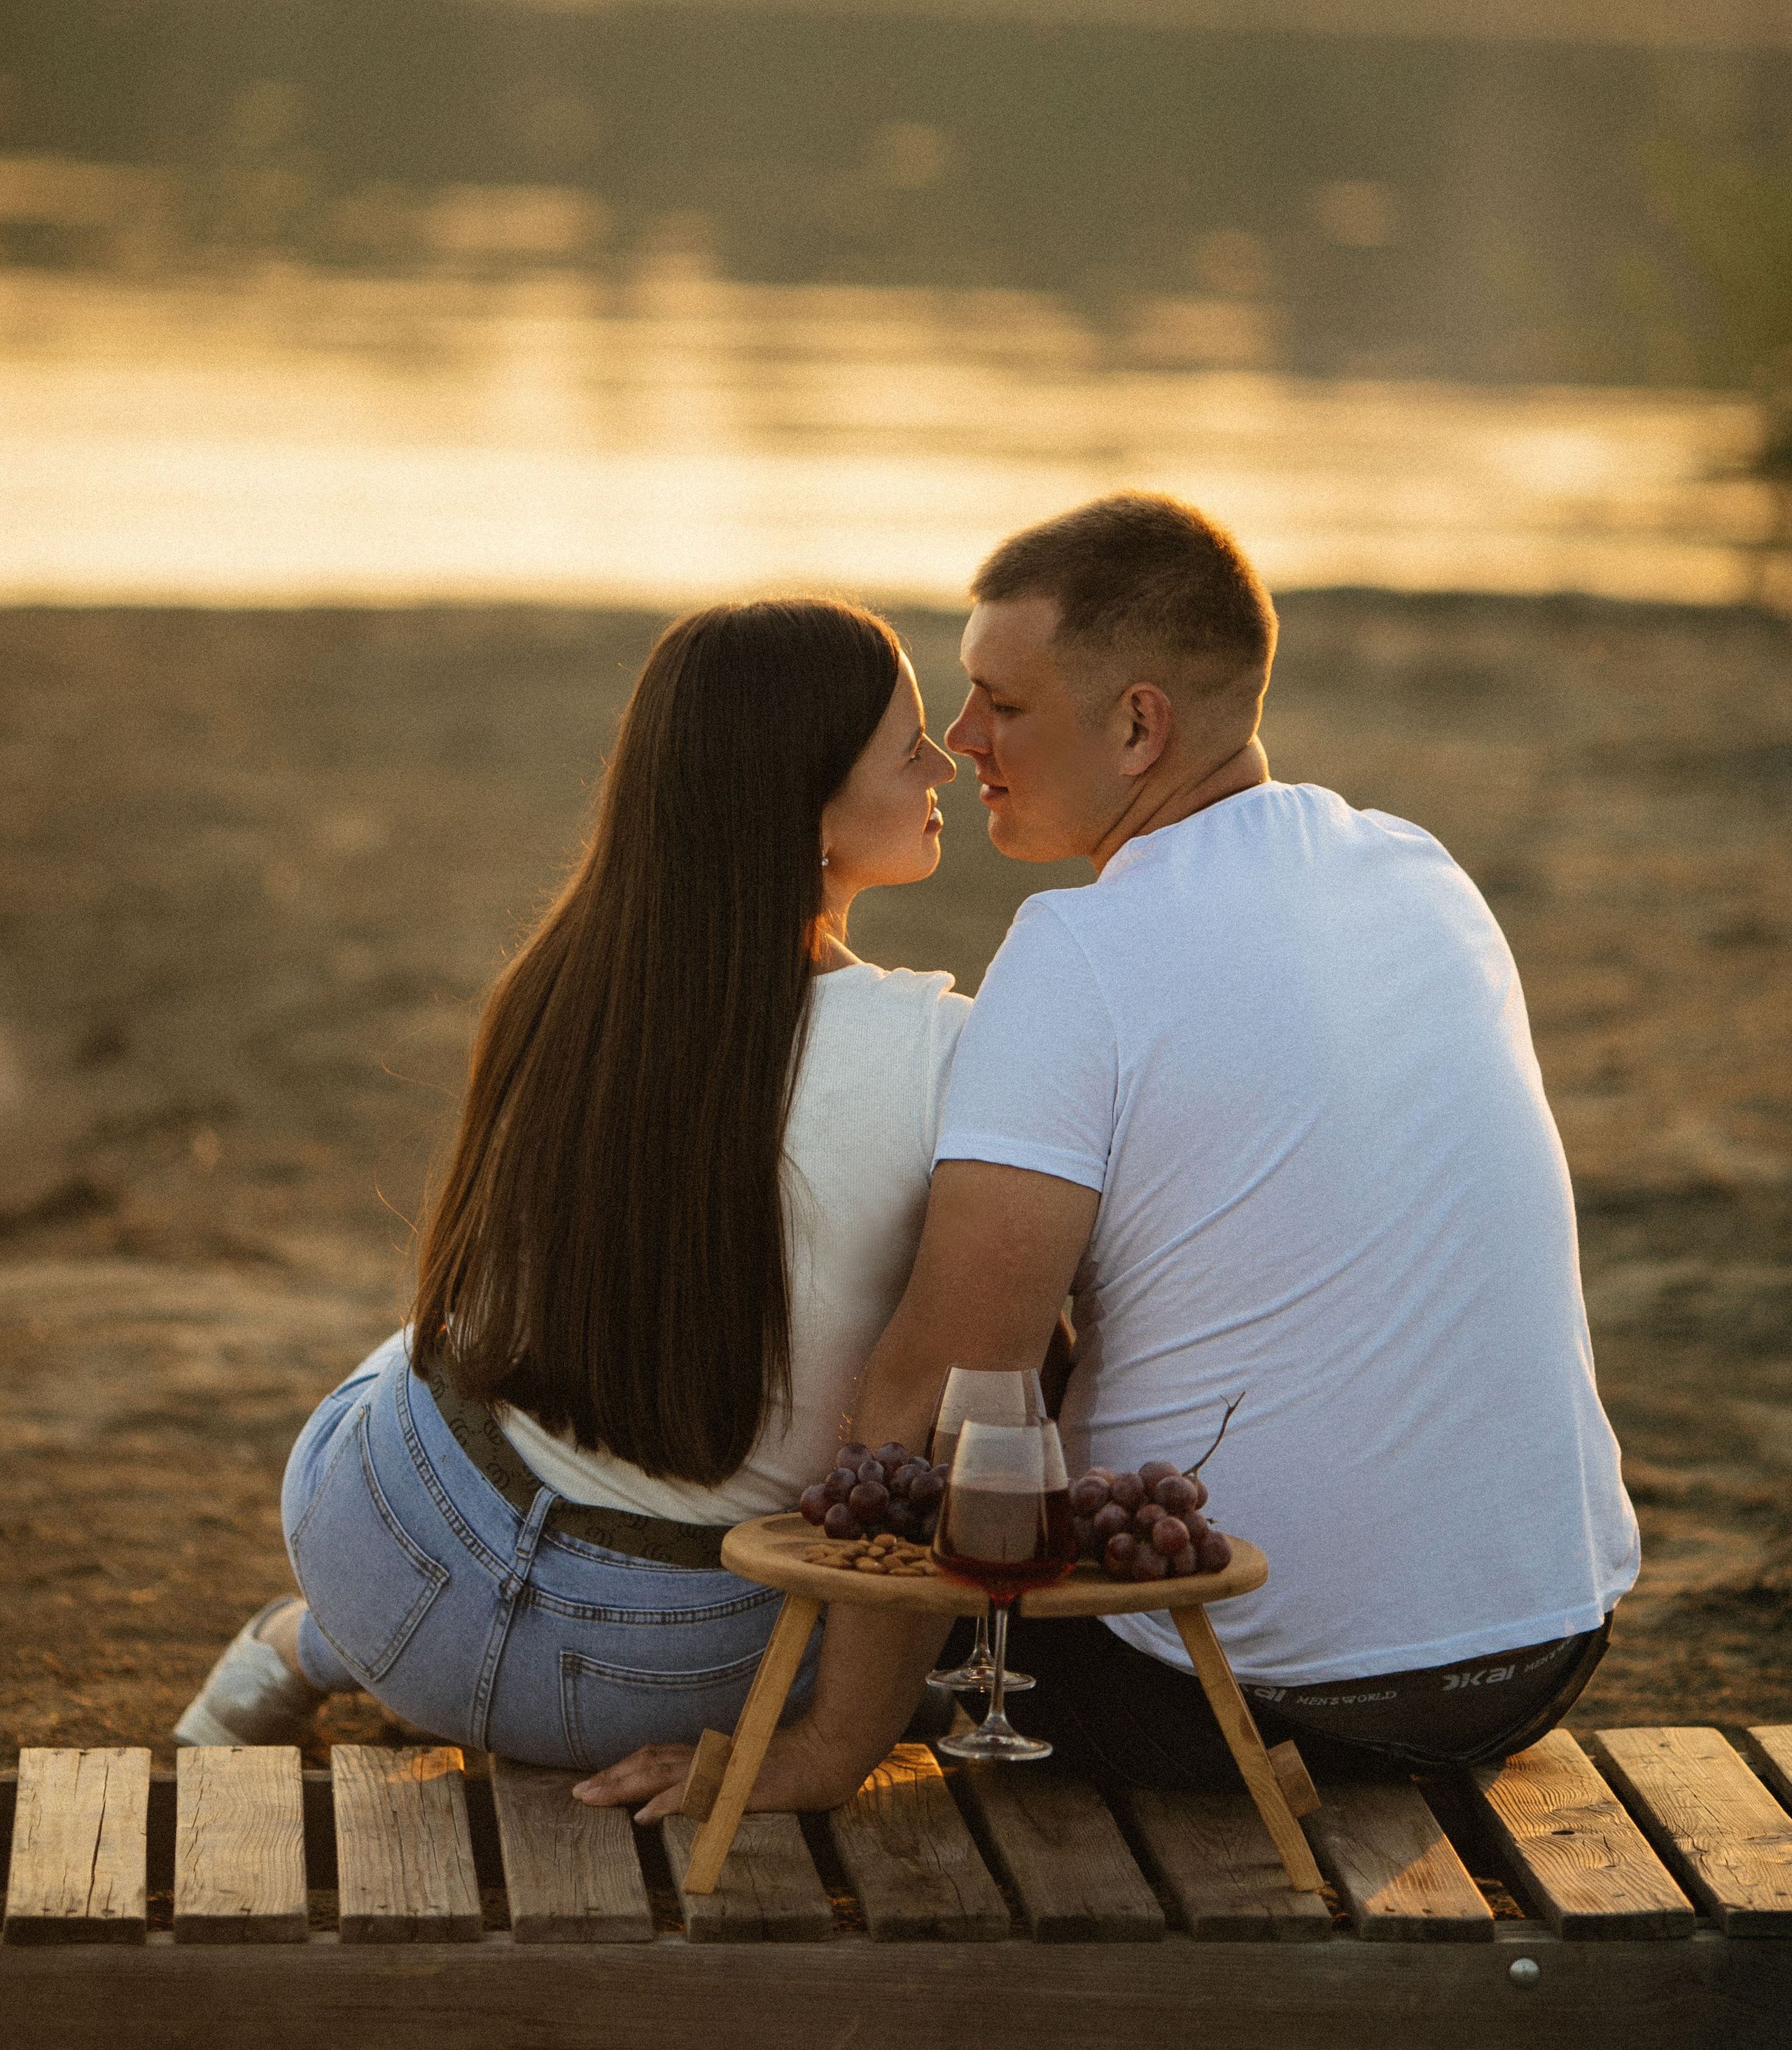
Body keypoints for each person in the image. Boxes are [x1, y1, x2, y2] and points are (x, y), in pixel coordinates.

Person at [580, 492, 1638, 1822]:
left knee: (960, 1472)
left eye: (999, 704)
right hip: (1540, 1649)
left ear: (1140, 724)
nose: (961, 745)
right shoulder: (1422, 874)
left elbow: (952, 1377)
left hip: (1219, 1689)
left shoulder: (1078, 952)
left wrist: (821, 1752)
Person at [174, 598, 967, 1764]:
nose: (944, 760)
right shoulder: (940, 1053)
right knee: (934, 1531)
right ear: (803, 810)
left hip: (380, 1548)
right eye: (910, 746)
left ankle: (303, 1647)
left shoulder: (564, 979)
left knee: (435, 1344)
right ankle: (323, 1648)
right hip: (664, 1672)